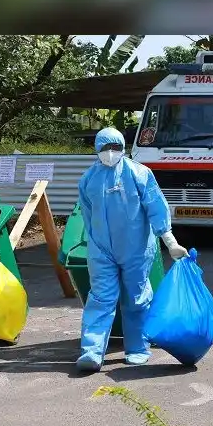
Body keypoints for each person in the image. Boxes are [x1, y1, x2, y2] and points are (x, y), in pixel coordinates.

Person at [76, 127, 188, 372]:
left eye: (116, 147)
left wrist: (170, 242)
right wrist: (94, 243)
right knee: (100, 299)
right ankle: (92, 352)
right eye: (105, 148)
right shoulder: (88, 179)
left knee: (137, 299)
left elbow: (156, 208)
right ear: (96, 149)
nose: (111, 153)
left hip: (135, 249)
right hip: (101, 250)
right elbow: (87, 215)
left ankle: (137, 348)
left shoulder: (139, 173)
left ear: (123, 148)